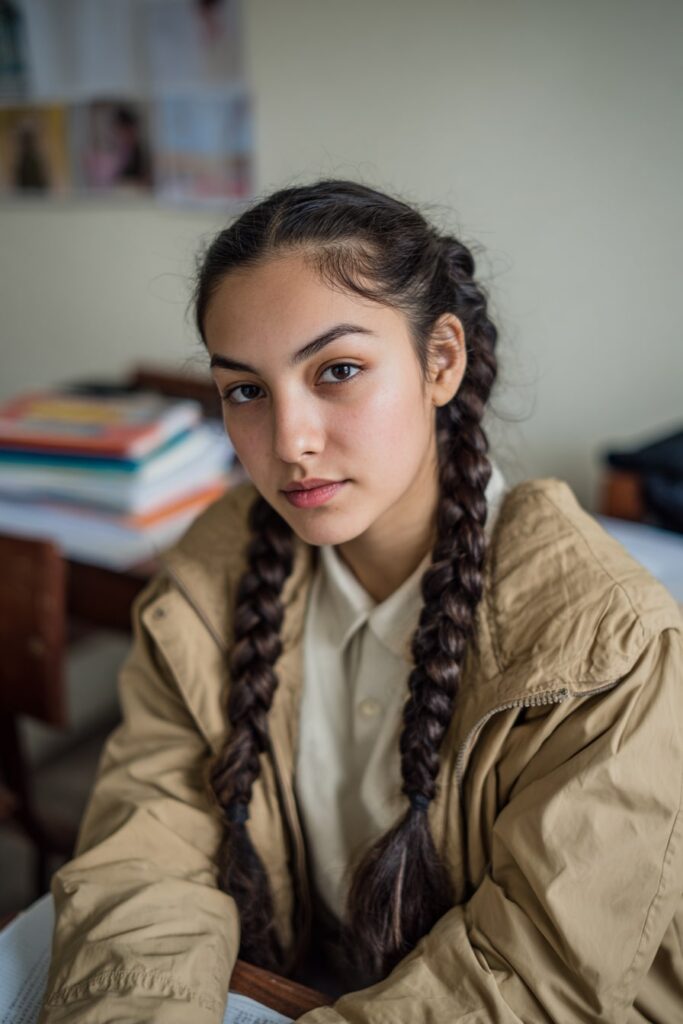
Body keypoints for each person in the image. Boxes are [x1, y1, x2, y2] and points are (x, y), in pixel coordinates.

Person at [40, 179, 683, 1023]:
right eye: (246, 390)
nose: (290, 441)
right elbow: (146, 852)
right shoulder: (210, 572)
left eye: (337, 371)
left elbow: (531, 977)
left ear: (440, 361)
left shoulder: (609, 643)